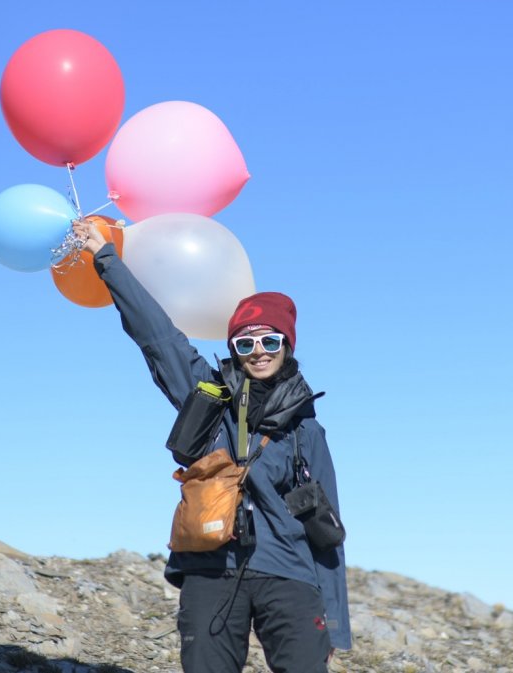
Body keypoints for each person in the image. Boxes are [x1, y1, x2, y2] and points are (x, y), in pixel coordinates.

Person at [74, 220, 351, 673]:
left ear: (287, 345)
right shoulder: (208, 394)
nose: (258, 350)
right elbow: (157, 335)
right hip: (211, 569)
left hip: (290, 578)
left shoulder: (308, 431)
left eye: (270, 340)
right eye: (246, 341)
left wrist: (335, 624)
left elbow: (329, 530)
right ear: (233, 347)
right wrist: (109, 261)